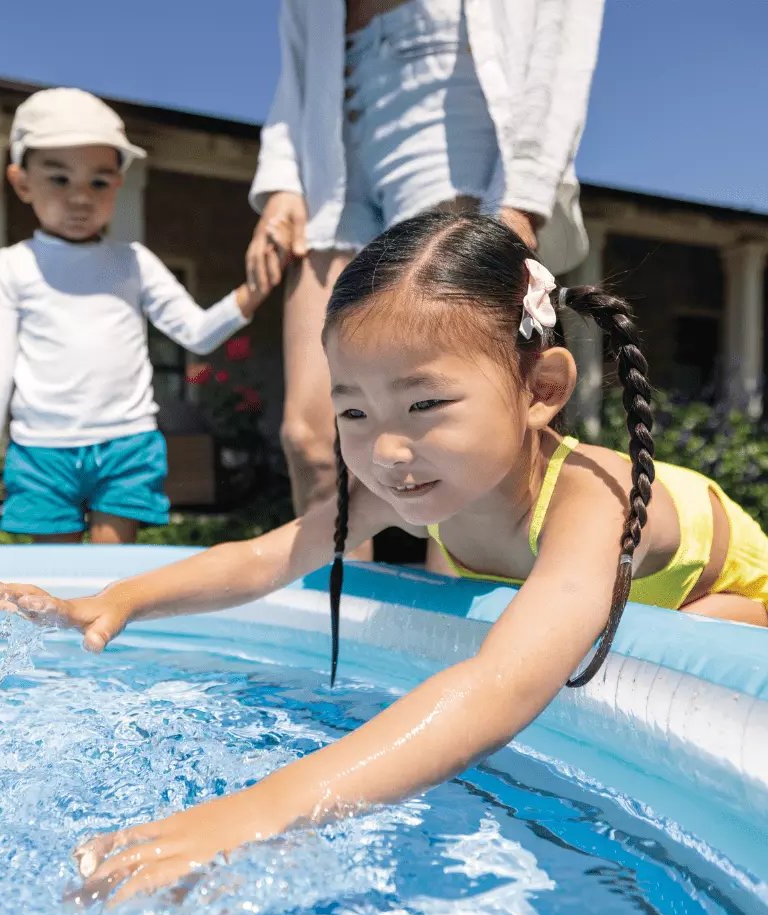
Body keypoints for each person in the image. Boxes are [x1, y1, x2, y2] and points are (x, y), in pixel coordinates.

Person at [0, 213, 768, 905]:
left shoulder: (590, 495)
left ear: (541, 389)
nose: (387, 450)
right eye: (354, 411)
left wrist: (258, 811)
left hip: (732, 615)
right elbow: (263, 558)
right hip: (596, 611)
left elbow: (499, 686)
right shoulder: (417, 478)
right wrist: (122, 599)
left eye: (426, 404)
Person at [245, 0, 604, 532]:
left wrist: (522, 198)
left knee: (454, 442)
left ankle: (458, 586)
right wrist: (283, 184)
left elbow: (559, 40)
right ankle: (338, 589)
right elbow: (295, 71)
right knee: (312, 437)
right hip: (330, 139)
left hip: (453, 119)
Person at [0, 88, 277, 543]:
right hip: (41, 449)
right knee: (53, 576)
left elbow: (195, 333)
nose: (80, 197)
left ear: (118, 183)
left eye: (98, 182)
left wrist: (251, 294)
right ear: (22, 183)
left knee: (112, 572)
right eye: (59, 179)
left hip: (126, 443)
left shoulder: (133, 262)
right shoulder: (13, 267)